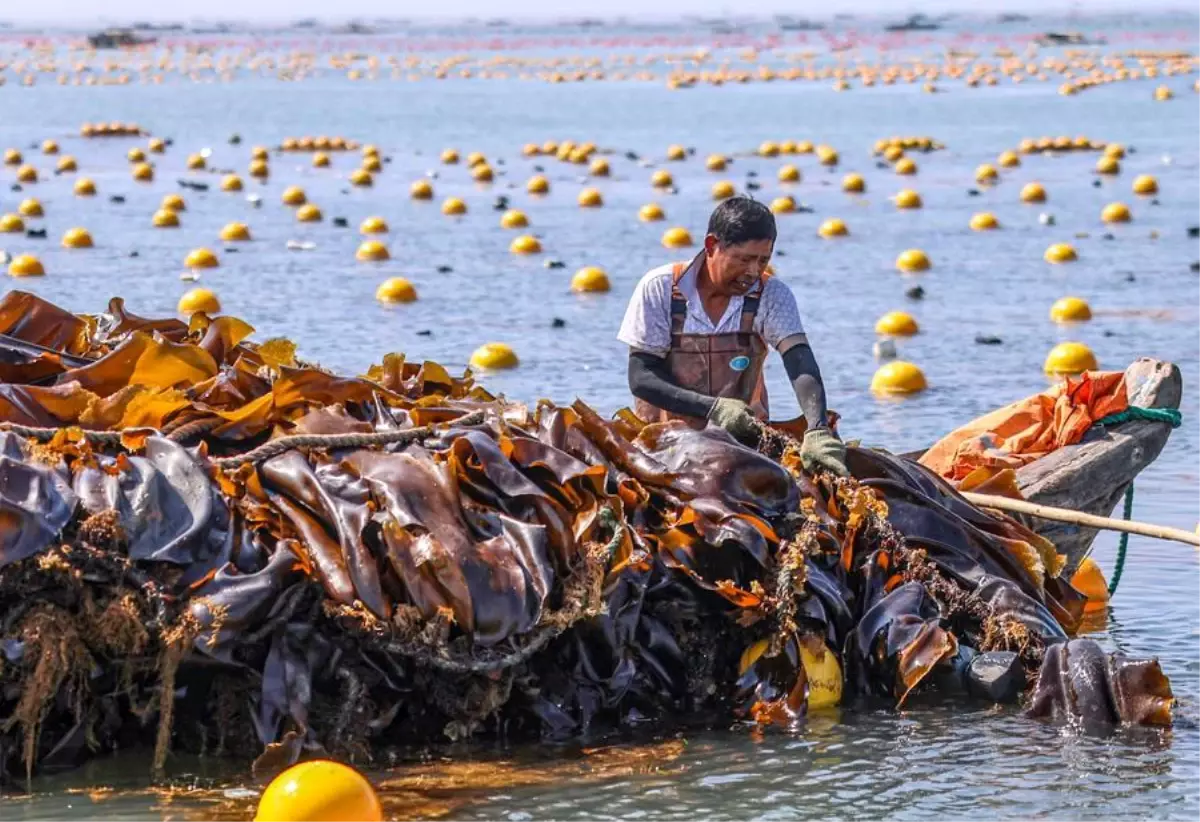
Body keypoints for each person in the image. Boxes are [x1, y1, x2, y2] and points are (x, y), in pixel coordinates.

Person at [617, 196, 848, 477]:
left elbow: (799, 359)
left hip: (746, 445)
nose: (753, 271)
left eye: (763, 260)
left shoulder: (772, 294)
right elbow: (641, 378)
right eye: (744, 259)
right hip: (662, 448)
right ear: (712, 246)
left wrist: (817, 428)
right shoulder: (661, 289)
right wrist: (713, 409)